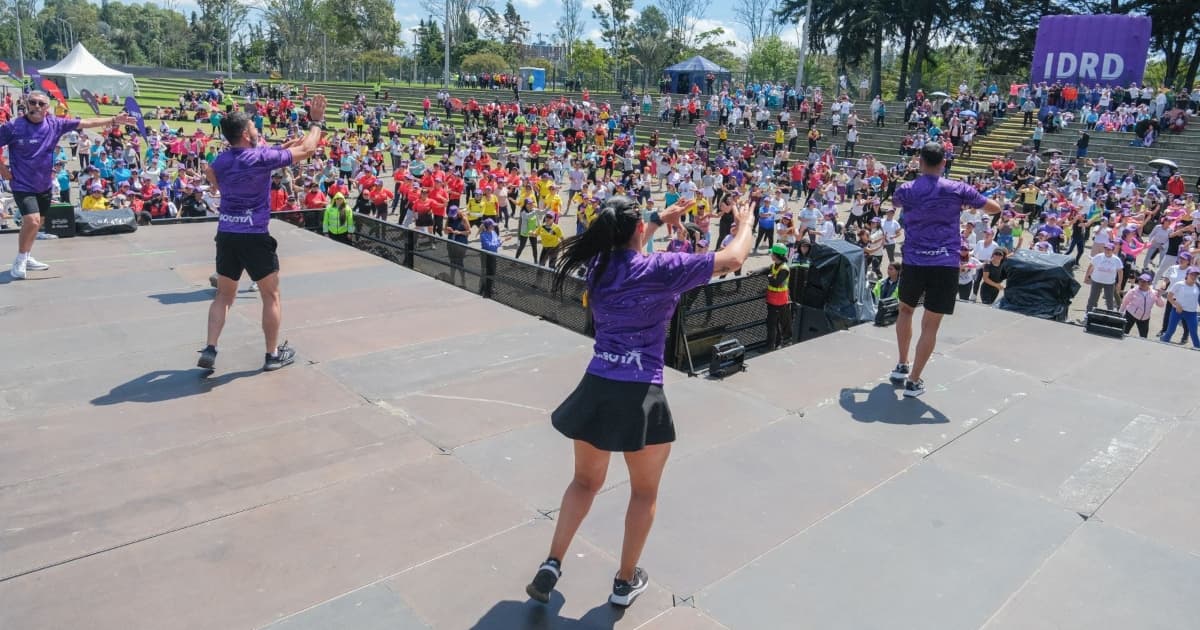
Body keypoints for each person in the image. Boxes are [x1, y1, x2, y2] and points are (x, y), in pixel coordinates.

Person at [525, 195, 753, 608]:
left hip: (597, 385)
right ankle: (624, 581)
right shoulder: (662, 270)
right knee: (643, 493)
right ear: (635, 232)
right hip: (641, 392)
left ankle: (553, 562)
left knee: (583, 482)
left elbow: (627, 243)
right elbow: (734, 259)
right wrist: (745, 223)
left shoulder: (598, 266)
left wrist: (654, 220)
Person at [197, 94, 327, 372]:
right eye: (255, 128)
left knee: (223, 296)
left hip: (227, 233)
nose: (258, 130)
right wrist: (317, 122)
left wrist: (281, 148)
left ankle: (210, 348)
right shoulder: (262, 157)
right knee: (271, 296)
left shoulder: (221, 160)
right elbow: (308, 150)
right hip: (254, 235)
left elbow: (213, 173)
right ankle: (272, 355)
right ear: (245, 133)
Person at [888, 143, 1001, 397]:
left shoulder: (907, 189)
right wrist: (969, 204)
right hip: (944, 262)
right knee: (931, 324)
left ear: (919, 161)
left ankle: (901, 364)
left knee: (905, 311)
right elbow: (994, 207)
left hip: (914, 260)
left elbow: (895, 200)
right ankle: (914, 381)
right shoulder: (957, 189)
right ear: (943, 163)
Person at [2, 91, 135, 279]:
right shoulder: (13, 126)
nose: (37, 107)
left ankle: (28, 255)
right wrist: (3, 171)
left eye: (41, 104)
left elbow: (85, 123)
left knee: (38, 222)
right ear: (27, 103)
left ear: (47, 108)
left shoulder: (55, 124)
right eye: (33, 103)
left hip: (44, 184)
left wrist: (113, 119)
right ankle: (21, 259)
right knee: (31, 221)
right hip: (22, 184)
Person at [1160, 266, 1200, 348]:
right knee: (1170, 331)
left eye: (1196, 275)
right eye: (1192, 274)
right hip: (1177, 311)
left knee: (1194, 333)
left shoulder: (1198, 286)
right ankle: (1162, 344)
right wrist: (1176, 305)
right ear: (1187, 274)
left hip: (1191, 313)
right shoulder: (1179, 284)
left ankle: (1198, 349)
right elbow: (1169, 296)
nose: (1194, 277)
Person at [765, 243, 791, 350]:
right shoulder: (775, 265)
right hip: (773, 300)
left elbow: (776, 283)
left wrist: (770, 277)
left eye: (772, 253)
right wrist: (753, 272)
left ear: (776, 255)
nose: (771, 255)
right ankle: (776, 344)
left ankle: (772, 346)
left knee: (773, 324)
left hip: (779, 301)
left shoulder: (784, 269)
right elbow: (766, 269)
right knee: (772, 324)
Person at [1121, 272, 1164, 338]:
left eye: (1144, 282)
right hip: (1131, 315)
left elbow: (1161, 305)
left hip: (1145, 318)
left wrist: (1159, 296)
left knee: (1143, 337)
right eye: (1140, 281)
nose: (1141, 283)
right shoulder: (1133, 291)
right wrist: (1121, 313)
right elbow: (1124, 302)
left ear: (1149, 283)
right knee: (1123, 333)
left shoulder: (1154, 293)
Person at [1084, 242, 1124, 312]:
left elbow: (1120, 272)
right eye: (1106, 249)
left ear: (1113, 250)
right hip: (1096, 281)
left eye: (1109, 249)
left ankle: (1110, 314)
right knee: (1093, 298)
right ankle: (1088, 313)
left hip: (1109, 283)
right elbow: (1091, 266)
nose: (1107, 251)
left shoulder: (1116, 259)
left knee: (1109, 300)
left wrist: (1119, 283)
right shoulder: (1098, 257)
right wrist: (1087, 277)